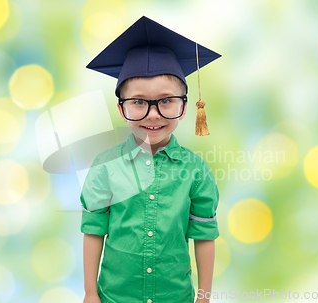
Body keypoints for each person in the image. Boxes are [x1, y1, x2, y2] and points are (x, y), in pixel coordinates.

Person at [80, 16, 221, 303]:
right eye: (139, 102)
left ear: (184, 107)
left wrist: (204, 297)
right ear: (122, 110)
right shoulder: (105, 166)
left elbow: (204, 236)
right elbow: (94, 231)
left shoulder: (195, 171)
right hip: (114, 297)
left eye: (167, 101)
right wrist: (90, 293)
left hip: (175, 296)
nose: (153, 114)